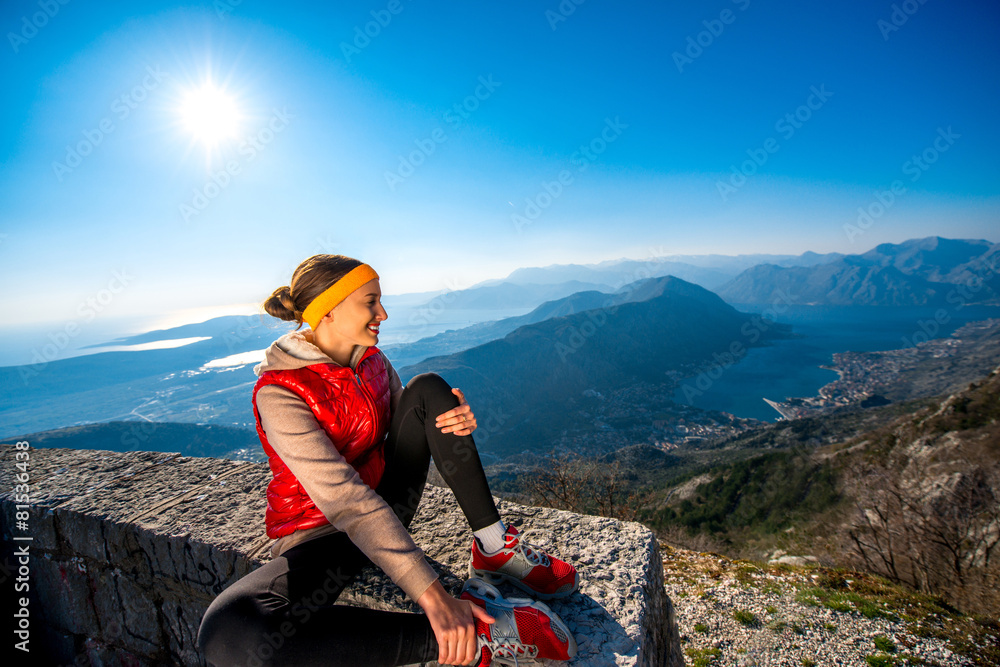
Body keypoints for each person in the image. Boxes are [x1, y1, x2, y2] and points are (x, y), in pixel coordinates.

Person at [197, 255, 579, 666]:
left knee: (431, 389)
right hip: (322, 537)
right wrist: (434, 597)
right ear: (328, 310)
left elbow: (409, 421)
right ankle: (477, 635)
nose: (382, 313)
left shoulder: (372, 361)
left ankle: (494, 549)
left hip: (387, 501)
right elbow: (345, 503)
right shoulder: (279, 394)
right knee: (228, 631)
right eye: (370, 302)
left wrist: (448, 419)